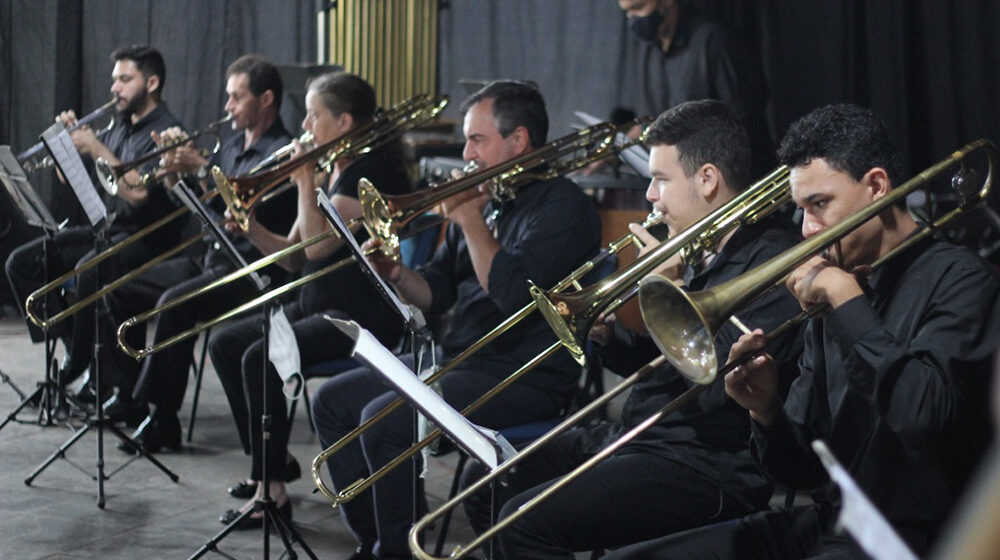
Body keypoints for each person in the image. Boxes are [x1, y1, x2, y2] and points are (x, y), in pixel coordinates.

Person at [604, 104, 1000, 559]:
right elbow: (801, 472)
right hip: (835, 521)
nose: (808, 230)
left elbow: (919, 414)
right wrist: (767, 411)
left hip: (915, 538)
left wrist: (845, 299)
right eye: (800, 210)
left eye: (820, 205)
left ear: (875, 186)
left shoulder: (961, 279)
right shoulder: (830, 292)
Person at [458, 99, 804, 559]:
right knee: (485, 483)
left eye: (660, 180)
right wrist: (612, 337)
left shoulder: (770, 261)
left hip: (706, 463)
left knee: (523, 525)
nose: (650, 196)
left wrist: (670, 288)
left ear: (707, 179)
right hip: (642, 431)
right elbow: (661, 364)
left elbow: (725, 391)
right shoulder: (697, 243)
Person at [309, 80, 602, 560]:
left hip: (521, 374)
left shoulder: (563, 207)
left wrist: (467, 219)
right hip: (459, 358)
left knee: (382, 423)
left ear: (519, 141)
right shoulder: (491, 199)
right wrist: (397, 273)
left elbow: (512, 295)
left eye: (477, 140)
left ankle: (397, 552)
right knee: (333, 402)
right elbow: (436, 292)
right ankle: (376, 542)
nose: (464, 153)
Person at [209, 71, 413, 530]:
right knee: (225, 344)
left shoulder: (368, 175)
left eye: (313, 114)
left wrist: (305, 181)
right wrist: (251, 227)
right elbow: (295, 258)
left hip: (357, 318)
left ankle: (271, 493)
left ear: (342, 122)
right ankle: (271, 460)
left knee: (260, 359)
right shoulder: (337, 168)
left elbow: (319, 248)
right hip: (316, 303)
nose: (303, 124)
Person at [108, 54, 297, 451]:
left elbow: (240, 212)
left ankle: (162, 419)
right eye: (227, 97)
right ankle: (129, 398)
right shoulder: (229, 146)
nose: (226, 107)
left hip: (252, 268)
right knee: (120, 285)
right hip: (213, 256)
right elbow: (205, 210)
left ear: (266, 99)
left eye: (236, 98)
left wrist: (197, 168)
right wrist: (176, 174)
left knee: (174, 302)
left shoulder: (283, 153)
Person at [5, 45, 184, 403]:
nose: (114, 88)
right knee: (23, 262)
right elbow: (73, 183)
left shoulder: (166, 130)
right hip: (112, 231)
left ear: (151, 82)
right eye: (113, 80)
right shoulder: (119, 126)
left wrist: (96, 145)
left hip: (151, 239)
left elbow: (136, 194)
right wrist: (66, 149)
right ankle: (75, 350)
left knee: (90, 270)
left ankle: (80, 366)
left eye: (124, 79)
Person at [616, 0, 772, 175]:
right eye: (627, 12)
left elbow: (743, 121)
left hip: (729, 180)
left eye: (639, 7)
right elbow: (651, 125)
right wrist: (613, 151)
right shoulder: (647, 51)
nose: (632, 19)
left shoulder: (714, 41)